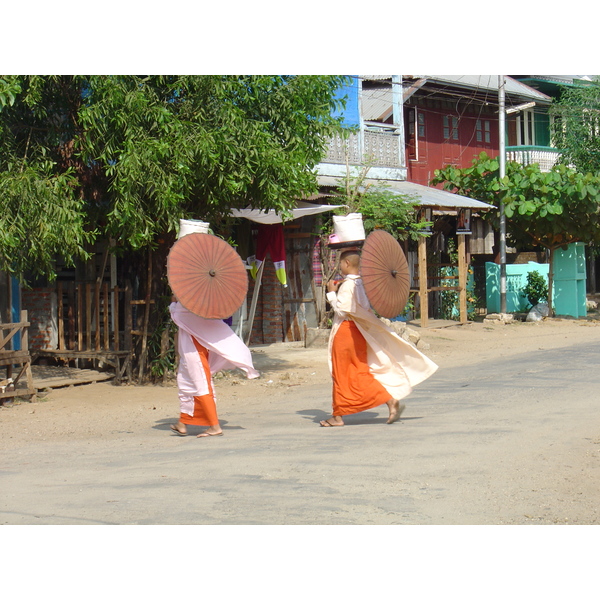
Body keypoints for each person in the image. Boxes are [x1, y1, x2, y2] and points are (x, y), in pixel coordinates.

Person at [320, 250, 438, 427]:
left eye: (339, 263)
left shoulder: (347, 286)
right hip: (358, 332)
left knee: (342, 373)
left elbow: (342, 311)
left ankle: (340, 415)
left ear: (346, 264)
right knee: (358, 370)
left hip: (345, 332)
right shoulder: (362, 285)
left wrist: (331, 293)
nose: (338, 267)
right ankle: (384, 401)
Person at [169, 299, 260, 438]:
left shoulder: (189, 305)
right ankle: (183, 422)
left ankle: (214, 426)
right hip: (190, 351)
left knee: (201, 386)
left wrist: (174, 301)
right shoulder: (204, 304)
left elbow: (176, 313)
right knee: (187, 383)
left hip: (195, 351)